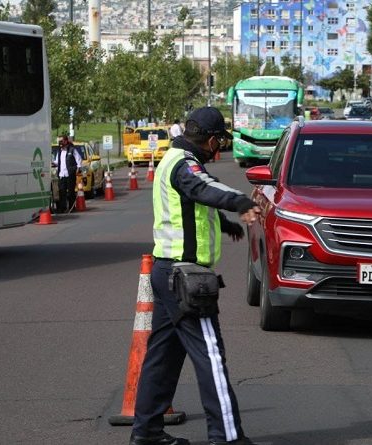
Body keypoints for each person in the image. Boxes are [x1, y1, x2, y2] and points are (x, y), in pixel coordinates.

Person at [130, 107, 260, 445]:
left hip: (165, 272)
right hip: (184, 278)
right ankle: (227, 437)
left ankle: (147, 434)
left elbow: (189, 207)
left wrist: (224, 223)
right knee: (211, 357)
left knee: (162, 357)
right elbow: (202, 188)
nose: (220, 150)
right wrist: (241, 202)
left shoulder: (173, 159)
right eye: (220, 142)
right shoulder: (185, 164)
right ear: (213, 139)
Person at [52, 136, 82, 213]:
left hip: (70, 174)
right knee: (62, 192)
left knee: (71, 192)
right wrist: (53, 163)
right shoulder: (59, 151)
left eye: (61, 141)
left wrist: (78, 168)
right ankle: (62, 208)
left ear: (66, 141)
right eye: (59, 142)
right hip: (62, 175)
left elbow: (78, 159)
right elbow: (57, 162)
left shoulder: (72, 150)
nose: (60, 143)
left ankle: (72, 207)